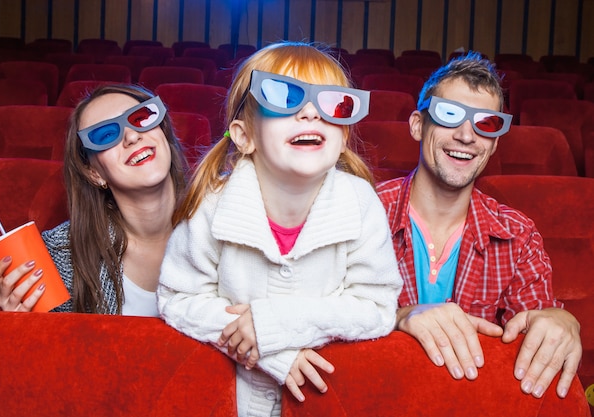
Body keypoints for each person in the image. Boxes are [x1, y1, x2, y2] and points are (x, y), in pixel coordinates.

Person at [157, 41, 403, 417]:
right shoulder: (213, 204)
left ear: (343, 139)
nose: (310, 113)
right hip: (225, 399)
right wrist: (274, 352)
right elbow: (177, 299)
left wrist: (277, 323)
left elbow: (378, 307)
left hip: (326, 403)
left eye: (333, 104)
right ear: (244, 136)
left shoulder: (360, 202)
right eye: (283, 97)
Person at [376, 52, 582, 399]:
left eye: (486, 124)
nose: (466, 136)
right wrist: (396, 317)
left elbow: (536, 331)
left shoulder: (518, 235)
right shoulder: (360, 213)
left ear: (495, 142)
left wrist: (561, 322)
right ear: (417, 125)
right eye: (449, 114)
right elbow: (315, 320)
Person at [0, 84, 189, 315]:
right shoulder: (61, 255)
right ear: (94, 173)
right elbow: (55, 347)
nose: (132, 136)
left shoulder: (225, 221)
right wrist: (21, 327)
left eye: (141, 118)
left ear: (163, 133)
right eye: (105, 135)